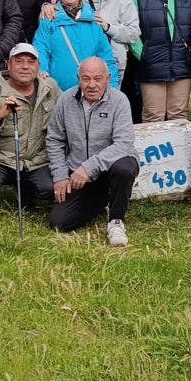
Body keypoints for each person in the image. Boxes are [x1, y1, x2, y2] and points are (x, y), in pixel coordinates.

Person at [47, 57, 140, 246]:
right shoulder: (65, 100)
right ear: (78, 78)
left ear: (108, 78)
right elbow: (55, 138)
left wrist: (89, 167)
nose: (91, 85)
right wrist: (60, 175)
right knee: (59, 223)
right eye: (85, 78)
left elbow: (123, 143)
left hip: (109, 168)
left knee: (124, 167)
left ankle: (116, 220)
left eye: (98, 79)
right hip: (78, 174)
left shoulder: (119, 100)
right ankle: (101, 200)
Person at [0, 42, 60, 219]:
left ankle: (27, 193)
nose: (25, 66)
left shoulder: (51, 88)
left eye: (31, 62)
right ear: (8, 65)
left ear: (38, 66)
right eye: (19, 61)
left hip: (36, 160)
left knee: (50, 189)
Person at [133, 0, 191, 121]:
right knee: (153, 114)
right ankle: (151, 149)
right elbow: (131, 29)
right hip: (151, 64)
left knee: (178, 114)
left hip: (182, 63)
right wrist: (143, 53)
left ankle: (180, 149)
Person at [33, 0, 119, 91]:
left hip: (90, 91)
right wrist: (42, 71)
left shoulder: (93, 21)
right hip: (57, 92)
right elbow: (40, 48)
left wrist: (112, 87)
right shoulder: (49, 18)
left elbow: (106, 57)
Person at [84, 0, 141, 83]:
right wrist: (46, 5)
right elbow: (58, 5)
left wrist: (109, 27)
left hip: (113, 63)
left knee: (110, 102)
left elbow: (133, 33)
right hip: (83, 61)